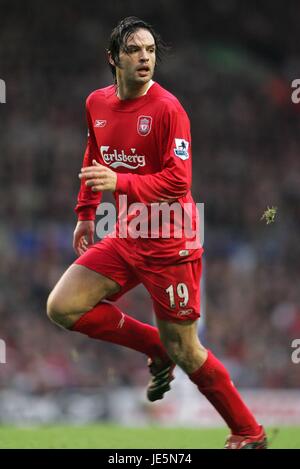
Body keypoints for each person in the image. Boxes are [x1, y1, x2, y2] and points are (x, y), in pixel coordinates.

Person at [47, 16, 267, 449]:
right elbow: (94, 153)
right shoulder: (96, 103)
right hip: (128, 233)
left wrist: (120, 184)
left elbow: (178, 183)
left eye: (150, 50)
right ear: (113, 58)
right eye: (134, 50)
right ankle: (156, 346)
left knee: (187, 349)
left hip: (171, 244)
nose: (144, 57)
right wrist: (86, 213)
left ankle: (248, 432)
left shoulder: (168, 109)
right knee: (63, 307)